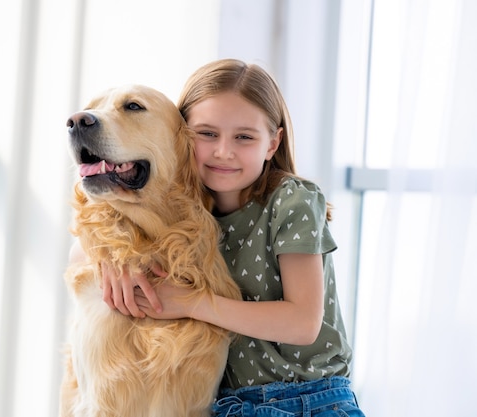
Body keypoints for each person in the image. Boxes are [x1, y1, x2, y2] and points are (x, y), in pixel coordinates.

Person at [99, 59, 365, 416]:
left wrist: (193, 303)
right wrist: (112, 260)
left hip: (311, 401)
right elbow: (78, 250)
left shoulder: (291, 199)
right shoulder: (189, 214)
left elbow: (303, 323)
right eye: (207, 134)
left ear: (273, 143)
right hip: (228, 407)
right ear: (179, 138)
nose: (223, 151)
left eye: (244, 137)